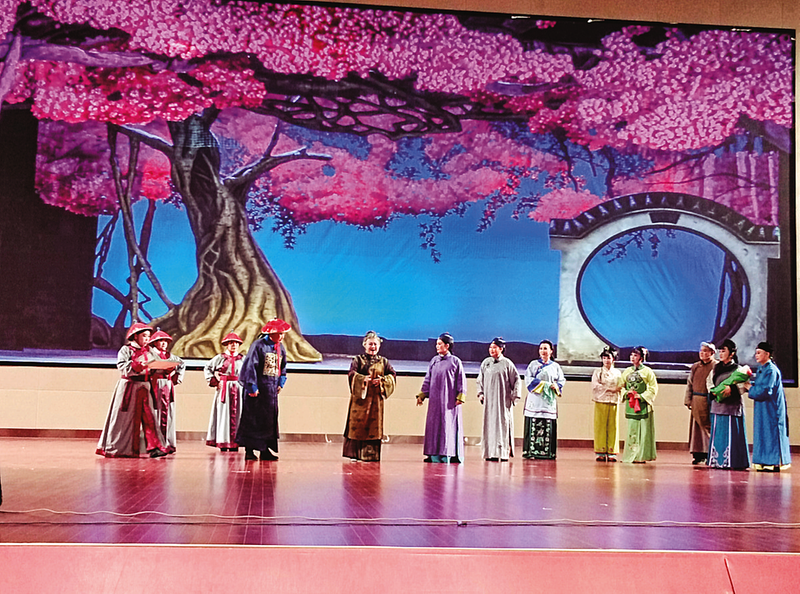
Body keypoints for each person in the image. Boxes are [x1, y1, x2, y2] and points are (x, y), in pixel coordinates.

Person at [96, 322, 168, 458]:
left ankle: (154, 448)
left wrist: (164, 367)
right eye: (144, 336)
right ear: (135, 336)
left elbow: (157, 365)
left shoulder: (149, 351)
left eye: (148, 336)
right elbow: (122, 367)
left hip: (145, 387)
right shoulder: (126, 350)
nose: (147, 339)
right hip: (129, 387)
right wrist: (138, 365)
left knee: (150, 418)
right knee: (124, 419)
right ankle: (119, 448)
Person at [237, 319, 290, 461]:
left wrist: (281, 382)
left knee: (268, 421)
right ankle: (249, 451)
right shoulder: (258, 345)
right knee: (253, 420)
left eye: (283, 333)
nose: (282, 336)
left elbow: (283, 366)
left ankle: (265, 450)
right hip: (257, 390)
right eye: (279, 333)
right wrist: (252, 386)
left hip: (270, 391)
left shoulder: (280, 347)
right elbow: (250, 366)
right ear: (272, 333)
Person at [343, 331, 397, 462]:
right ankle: (355, 455)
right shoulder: (357, 360)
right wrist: (363, 379)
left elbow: (392, 375)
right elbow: (351, 374)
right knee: (356, 426)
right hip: (360, 400)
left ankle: (370, 455)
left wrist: (382, 381)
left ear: (379, 346)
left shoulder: (384, 361)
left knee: (374, 427)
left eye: (375, 344)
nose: (373, 347)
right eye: (370, 344)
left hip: (375, 400)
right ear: (364, 345)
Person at [416, 333, 467, 463]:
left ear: (447, 346)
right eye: (437, 344)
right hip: (435, 400)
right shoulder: (434, 361)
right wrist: (422, 395)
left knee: (446, 425)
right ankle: (433, 454)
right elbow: (428, 379)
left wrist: (460, 396)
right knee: (433, 426)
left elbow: (461, 380)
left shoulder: (455, 361)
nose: (437, 346)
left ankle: (447, 454)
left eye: (440, 344)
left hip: (449, 401)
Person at [706, 339, 750, 470]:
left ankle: (733, 461)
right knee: (718, 434)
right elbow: (709, 382)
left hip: (732, 407)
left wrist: (732, 389)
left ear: (731, 354)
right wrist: (714, 392)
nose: (720, 353)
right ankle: (716, 461)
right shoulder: (715, 368)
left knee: (732, 435)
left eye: (723, 351)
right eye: (720, 351)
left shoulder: (738, 369)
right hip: (717, 406)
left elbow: (744, 385)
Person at [747, 341, 791, 472]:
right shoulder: (762, 369)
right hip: (762, 408)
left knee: (771, 432)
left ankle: (773, 461)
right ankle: (763, 460)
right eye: (756, 353)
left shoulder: (771, 370)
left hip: (771, 408)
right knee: (762, 432)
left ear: (767, 354)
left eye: (759, 353)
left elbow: (766, 390)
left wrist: (750, 388)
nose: (756, 355)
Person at [476, 337, 520, 461]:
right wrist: (481, 393)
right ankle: (490, 453)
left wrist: (514, 397)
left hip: (503, 401)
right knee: (489, 425)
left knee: (503, 424)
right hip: (489, 402)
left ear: (501, 349)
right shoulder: (486, 363)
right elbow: (480, 380)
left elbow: (516, 380)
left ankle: (503, 453)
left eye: (494, 347)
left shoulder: (507, 364)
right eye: (490, 347)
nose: (491, 349)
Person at [523, 340, 565, 459]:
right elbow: (528, 380)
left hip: (548, 401)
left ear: (551, 351)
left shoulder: (555, 366)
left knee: (548, 424)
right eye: (541, 348)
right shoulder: (533, 364)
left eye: (545, 348)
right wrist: (544, 384)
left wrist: (556, 386)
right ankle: (530, 452)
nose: (543, 351)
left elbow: (561, 380)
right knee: (533, 422)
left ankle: (548, 453)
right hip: (535, 400)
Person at [205, 332, 245, 452]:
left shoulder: (243, 359)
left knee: (238, 414)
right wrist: (215, 381)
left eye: (236, 343)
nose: (233, 345)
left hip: (238, 388)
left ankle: (236, 441)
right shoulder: (220, 358)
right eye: (231, 343)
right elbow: (208, 367)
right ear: (227, 344)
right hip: (225, 388)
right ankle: (223, 441)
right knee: (223, 414)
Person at [147, 330, 185, 454]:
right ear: (155, 343)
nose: (164, 343)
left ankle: (167, 443)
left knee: (168, 413)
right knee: (154, 412)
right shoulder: (150, 355)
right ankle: (155, 443)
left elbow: (181, 364)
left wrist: (176, 378)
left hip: (167, 385)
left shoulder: (171, 356)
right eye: (160, 341)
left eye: (165, 341)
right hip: (154, 384)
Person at [620, 346, 657, 463]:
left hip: (643, 405)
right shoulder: (627, 371)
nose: (632, 357)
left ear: (641, 358)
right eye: (631, 355)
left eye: (635, 355)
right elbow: (621, 386)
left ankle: (641, 456)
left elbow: (653, 388)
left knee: (643, 431)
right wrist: (626, 393)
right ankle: (630, 455)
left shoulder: (648, 372)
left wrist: (641, 396)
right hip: (631, 405)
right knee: (631, 431)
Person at [685, 342, 716, 465]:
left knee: (708, 427)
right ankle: (698, 453)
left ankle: (710, 452)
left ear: (712, 353)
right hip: (696, 400)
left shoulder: (716, 366)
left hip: (708, 401)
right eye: (701, 351)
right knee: (696, 429)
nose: (702, 353)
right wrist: (688, 399)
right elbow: (690, 384)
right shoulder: (695, 367)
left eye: (705, 351)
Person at [591, 346, 622, 462]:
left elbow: (621, 385)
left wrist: (617, 389)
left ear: (613, 359)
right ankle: (600, 451)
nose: (606, 360)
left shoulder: (618, 373)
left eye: (608, 358)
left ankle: (612, 451)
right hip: (601, 400)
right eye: (604, 358)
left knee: (613, 426)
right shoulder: (597, 372)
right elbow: (595, 385)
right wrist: (608, 388)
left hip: (613, 400)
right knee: (600, 425)